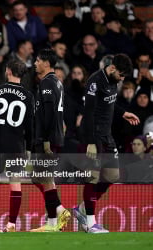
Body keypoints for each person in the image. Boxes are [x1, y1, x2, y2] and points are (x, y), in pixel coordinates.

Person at [73, 53, 140, 233]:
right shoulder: (95, 82)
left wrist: (123, 113)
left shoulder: (112, 80)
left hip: (107, 135)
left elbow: (109, 104)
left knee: (112, 176)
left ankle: (81, 209)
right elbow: (88, 114)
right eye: (121, 75)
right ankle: (90, 222)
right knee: (92, 178)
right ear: (112, 68)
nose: (122, 79)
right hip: (94, 137)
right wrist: (90, 143)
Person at [0, 60, 34, 232]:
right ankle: (11, 224)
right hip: (16, 145)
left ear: (8, 71)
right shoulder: (29, 96)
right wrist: (29, 149)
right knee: (15, 183)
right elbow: (30, 127)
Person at [30, 49, 71, 233]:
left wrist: (46, 139)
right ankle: (53, 222)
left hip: (46, 138)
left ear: (46, 63)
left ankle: (59, 212)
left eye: (38, 60)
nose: (35, 63)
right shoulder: (57, 82)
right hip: (53, 136)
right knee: (43, 178)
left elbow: (50, 113)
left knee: (44, 177)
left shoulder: (47, 83)